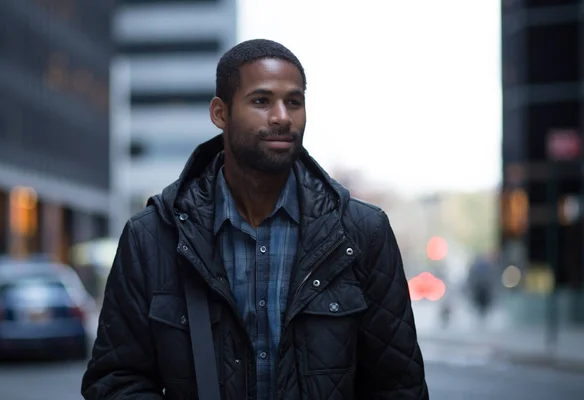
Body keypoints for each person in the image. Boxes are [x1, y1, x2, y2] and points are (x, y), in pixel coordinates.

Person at [82, 39, 428, 400]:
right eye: (261, 101)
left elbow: (398, 385)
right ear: (220, 113)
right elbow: (116, 381)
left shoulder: (361, 233)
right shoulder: (152, 236)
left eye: (294, 102)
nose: (282, 116)